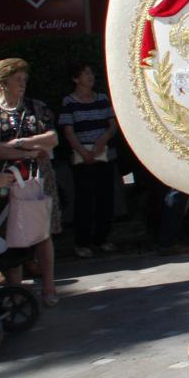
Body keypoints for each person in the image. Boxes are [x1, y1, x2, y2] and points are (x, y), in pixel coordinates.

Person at [0, 58, 60, 306]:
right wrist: (28, 150)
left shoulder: (35, 107)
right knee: (10, 234)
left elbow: (51, 138)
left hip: (38, 178)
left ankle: (49, 286)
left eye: (24, 78)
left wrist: (18, 145)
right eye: (17, 79)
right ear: (1, 83)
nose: (23, 83)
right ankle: (15, 292)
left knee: (42, 233)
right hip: (4, 182)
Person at [59, 62, 119, 258]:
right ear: (76, 78)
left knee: (105, 198)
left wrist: (102, 140)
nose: (90, 76)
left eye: (91, 72)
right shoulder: (69, 102)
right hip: (81, 157)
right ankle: (82, 242)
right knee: (84, 200)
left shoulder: (101, 98)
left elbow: (112, 125)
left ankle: (102, 238)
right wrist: (83, 152)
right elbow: (68, 130)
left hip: (103, 154)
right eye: (85, 73)